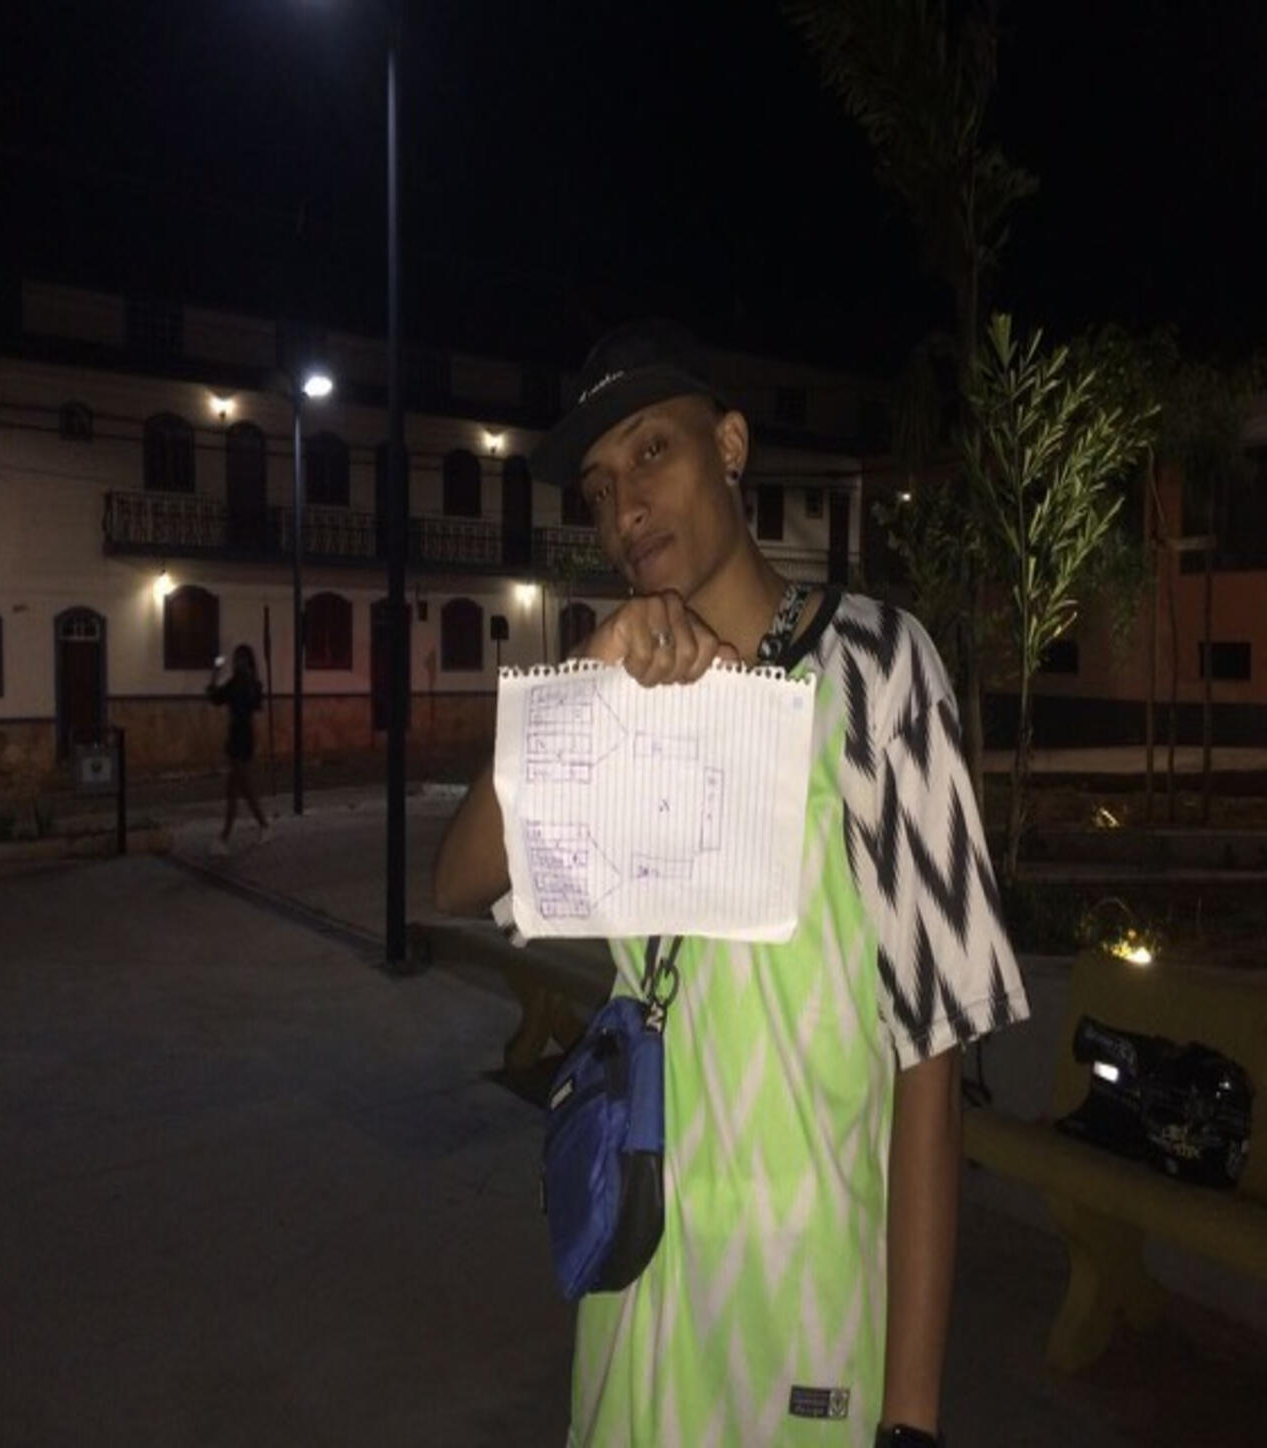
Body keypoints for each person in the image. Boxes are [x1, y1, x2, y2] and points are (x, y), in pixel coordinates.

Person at [434, 321, 1028, 1447]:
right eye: (598, 489)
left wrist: (910, 1415)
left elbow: (931, 1061)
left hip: (802, 1308)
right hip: (637, 1295)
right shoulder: (620, 690)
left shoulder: (878, 668)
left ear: (732, 447)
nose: (624, 508)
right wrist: (589, 675)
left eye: (652, 451)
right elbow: (460, 879)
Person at [207, 643, 270, 852]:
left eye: (241, 658)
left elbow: (256, 708)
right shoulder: (235, 683)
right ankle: (261, 826)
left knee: (240, 787)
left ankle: (225, 838)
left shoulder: (252, 684)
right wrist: (215, 673)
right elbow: (215, 697)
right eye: (237, 658)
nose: (238, 662)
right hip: (235, 737)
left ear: (248, 661)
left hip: (244, 738)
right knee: (237, 788)